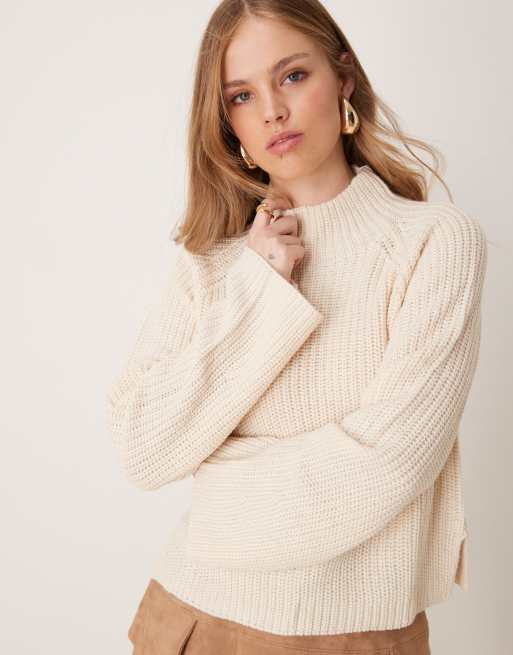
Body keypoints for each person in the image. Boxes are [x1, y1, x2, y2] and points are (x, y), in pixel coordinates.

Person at [106, 1, 488, 653]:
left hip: (354, 636)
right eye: (241, 95)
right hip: (191, 618)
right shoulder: (214, 260)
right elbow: (143, 449)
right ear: (226, 122)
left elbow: (387, 465)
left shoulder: (432, 242)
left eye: (292, 76)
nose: (272, 112)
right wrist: (259, 293)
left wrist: (213, 487)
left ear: (344, 79)